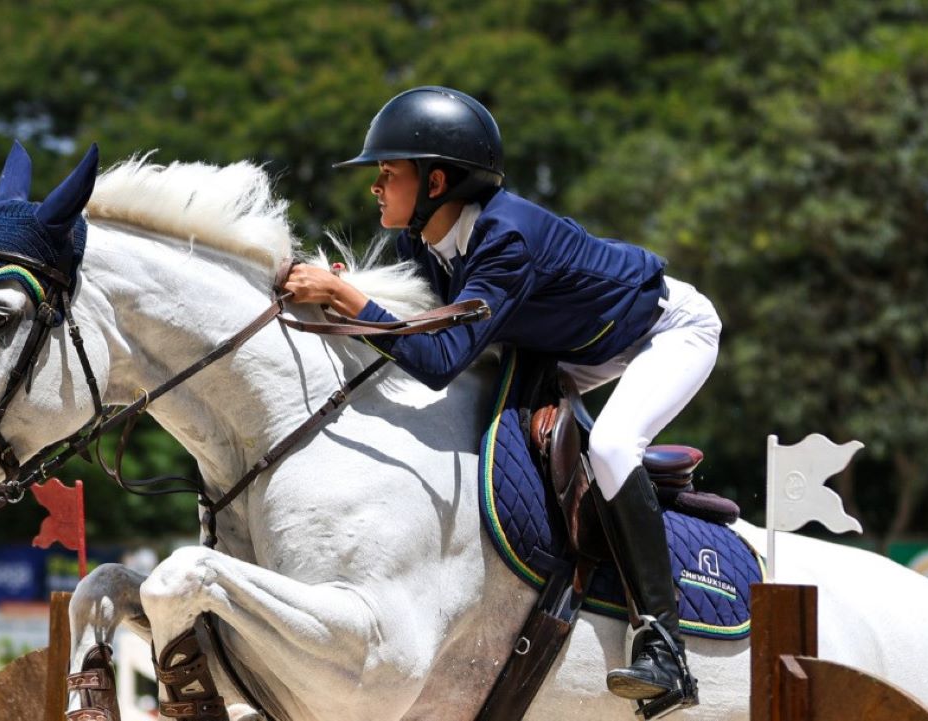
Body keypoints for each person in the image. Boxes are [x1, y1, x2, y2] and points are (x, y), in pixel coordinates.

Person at [284, 86, 719, 707]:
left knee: (615, 446)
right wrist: (352, 291)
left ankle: (663, 647)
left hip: (663, 330)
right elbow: (422, 321)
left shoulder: (505, 238)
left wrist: (345, 297)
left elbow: (438, 360)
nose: (375, 186)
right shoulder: (422, 239)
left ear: (436, 181)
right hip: (559, 343)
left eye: (387, 172)